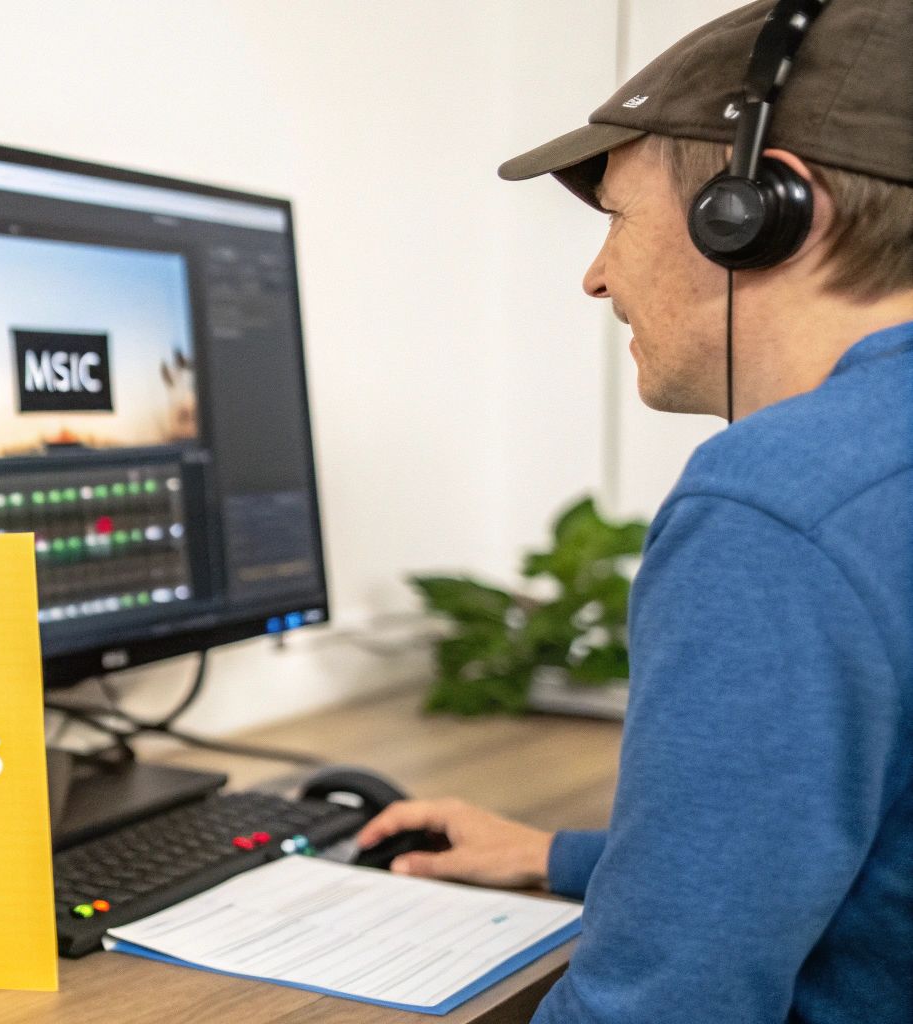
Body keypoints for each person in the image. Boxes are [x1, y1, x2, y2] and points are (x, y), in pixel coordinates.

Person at [355, 1, 913, 1020]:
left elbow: (660, 1007)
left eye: (615, 216)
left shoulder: (777, 505)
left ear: (759, 210)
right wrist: (560, 855)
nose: (596, 275)